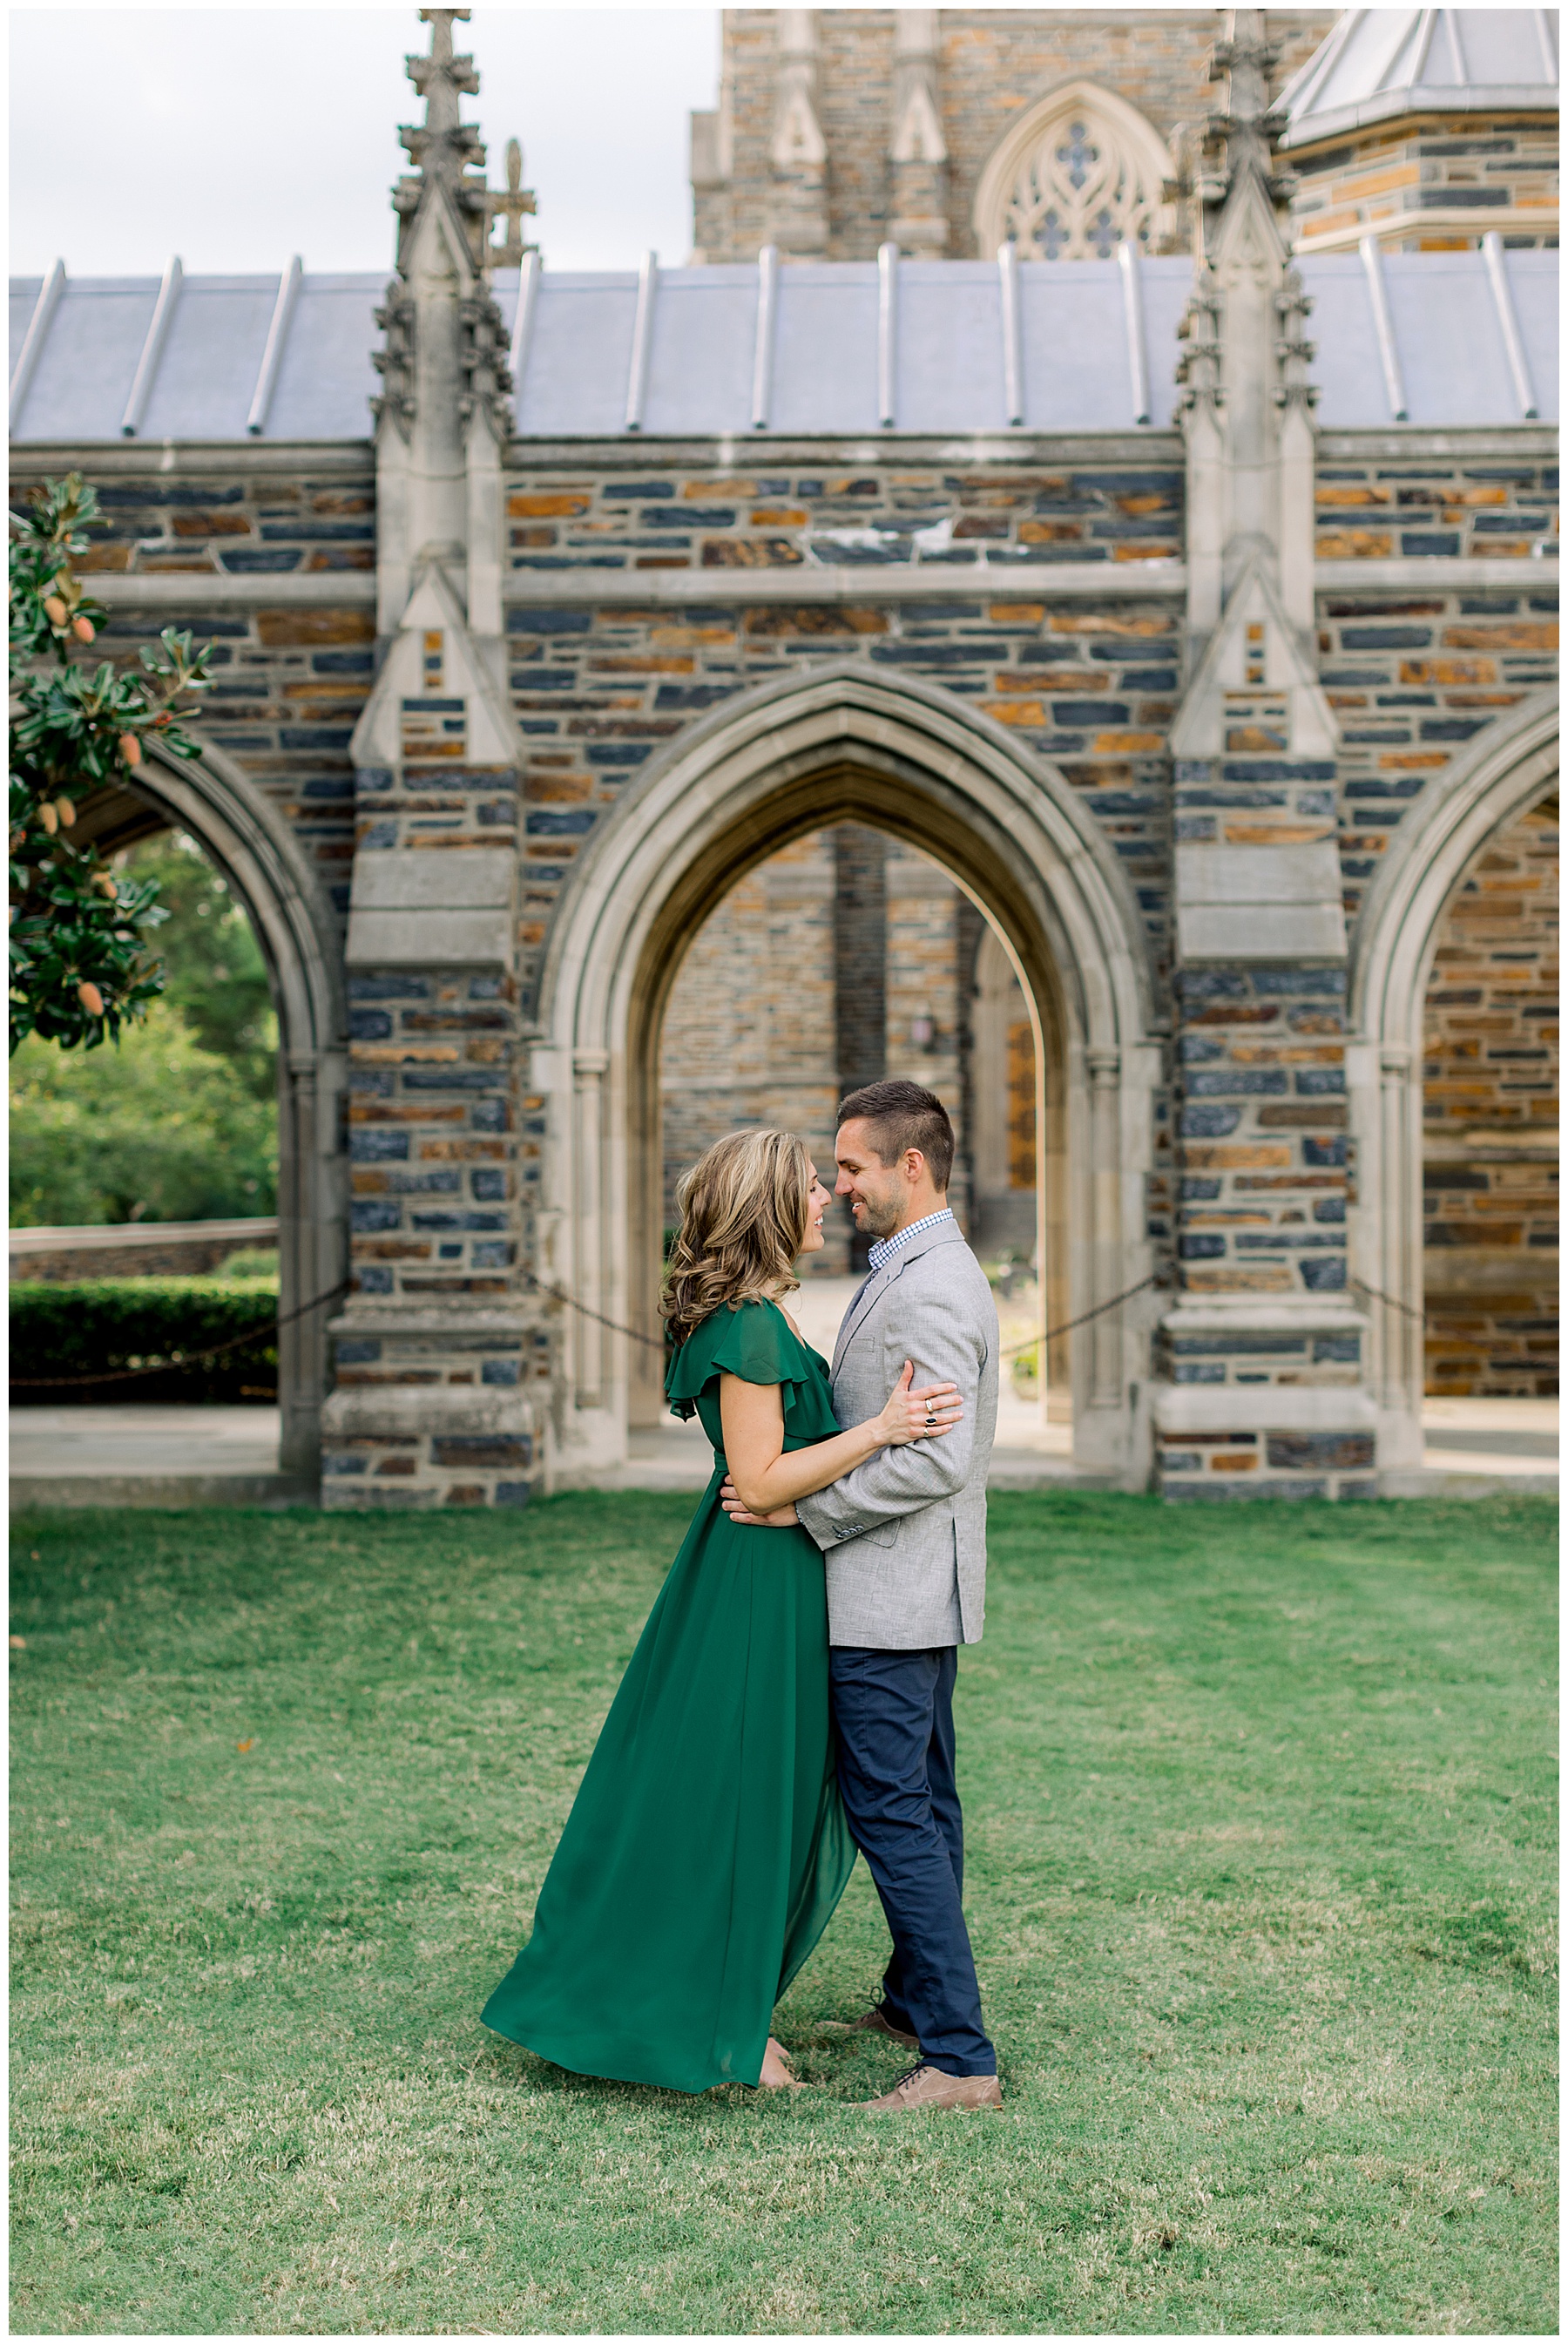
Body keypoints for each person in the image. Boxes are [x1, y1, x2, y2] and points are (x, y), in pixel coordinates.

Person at [480, 1125, 964, 2096]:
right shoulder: (746, 1329)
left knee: (757, 1801)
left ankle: (732, 2008)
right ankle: (716, 2025)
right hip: (753, 1585)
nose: (826, 1195)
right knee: (735, 1799)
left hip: (777, 1575)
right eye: (810, 1184)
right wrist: (881, 1428)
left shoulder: (760, 1315)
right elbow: (760, 1477)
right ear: (768, 1206)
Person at [722, 1081, 1002, 2114]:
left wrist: (805, 1511)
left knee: (894, 1813)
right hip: (913, 1591)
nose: (839, 1186)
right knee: (924, 1803)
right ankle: (915, 2004)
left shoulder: (931, 1284)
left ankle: (960, 2059)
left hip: (890, 1596)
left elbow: (936, 1459)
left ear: (909, 1165)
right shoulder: (919, 1266)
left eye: (851, 1167)